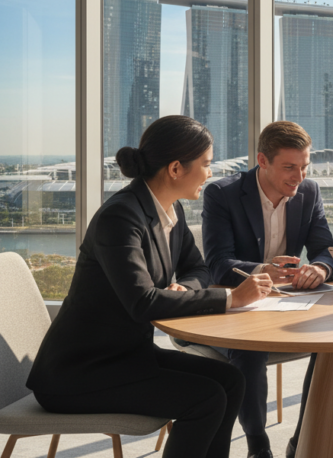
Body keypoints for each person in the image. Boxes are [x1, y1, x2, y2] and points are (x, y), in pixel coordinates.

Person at [27, 115, 274, 458]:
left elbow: (197, 267)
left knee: (231, 380)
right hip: (80, 372)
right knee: (207, 398)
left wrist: (186, 288)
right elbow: (141, 303)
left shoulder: (169, 211)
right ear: (175, 168)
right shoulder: (121, 217)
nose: (210, 172)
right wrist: (232, 297)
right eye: (205, 164)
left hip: (127, 355)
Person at [200, 121, 333, 458]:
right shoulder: (222, 194)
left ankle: (301, 439)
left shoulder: (309, 192)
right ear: (262, 160)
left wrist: (319, 268)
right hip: (232, 309)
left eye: (304, 166)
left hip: (285, 308)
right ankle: (257, 445)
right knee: (249, 351)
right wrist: (264, 272)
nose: (299, 176)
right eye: (289, 167)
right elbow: (218, 263)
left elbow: (326, 251)